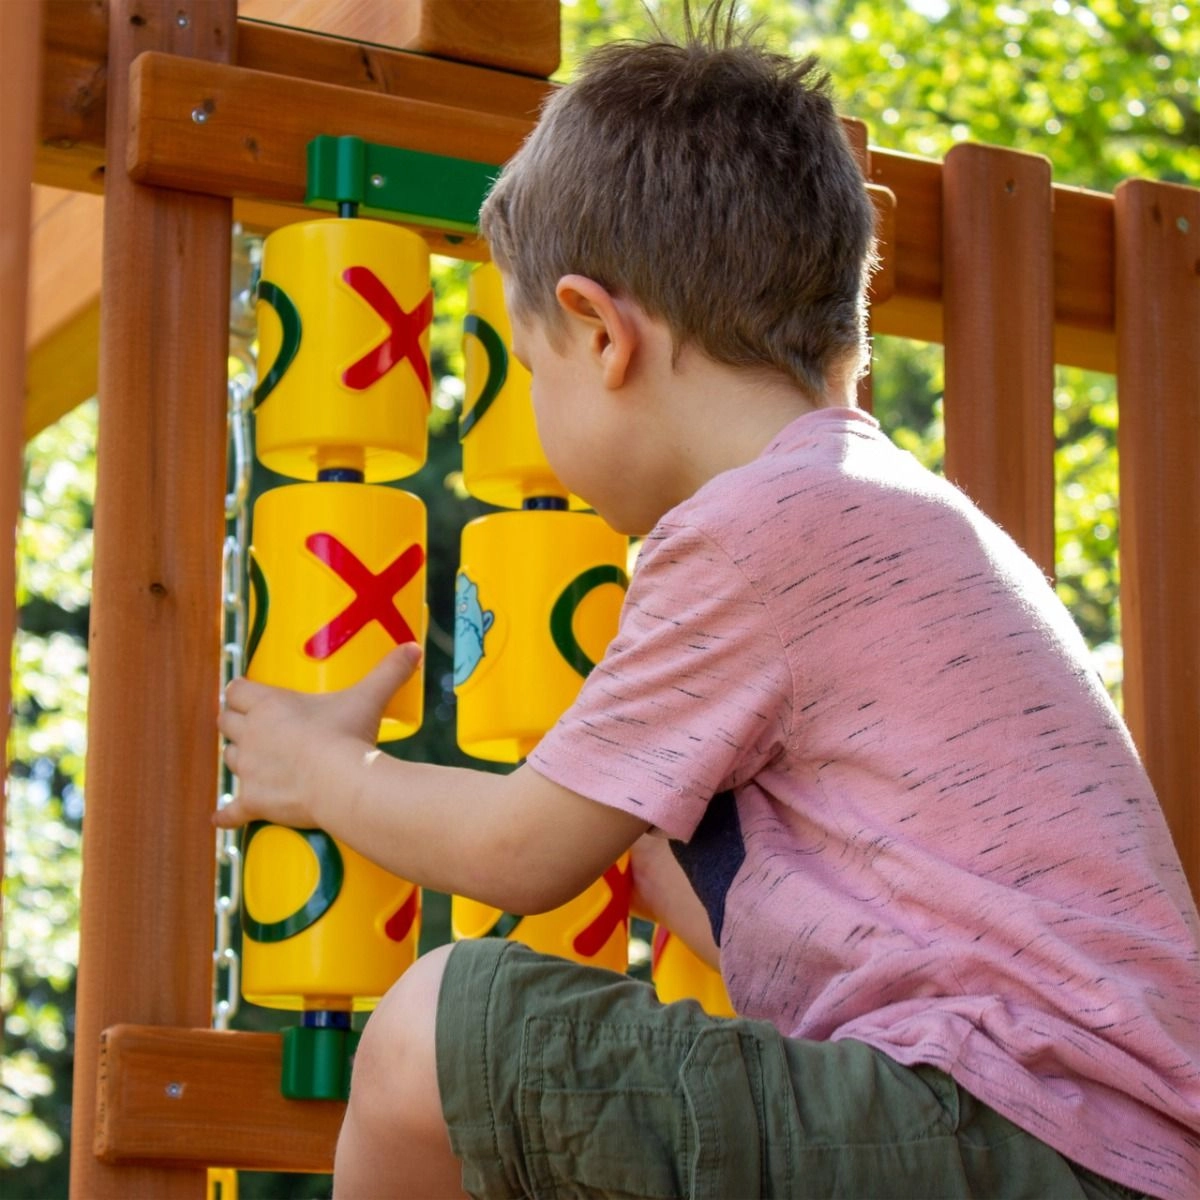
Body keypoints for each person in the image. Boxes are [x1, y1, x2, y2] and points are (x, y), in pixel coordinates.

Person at [216, 5, 1200, 1197]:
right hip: (1093, 1146)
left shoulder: (756, 532)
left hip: (997, 1128)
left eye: (528, 370)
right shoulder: (889, 517)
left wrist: (323, 773)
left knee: (434, 1028)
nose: (533, 400)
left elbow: (521, 855)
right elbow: (773, 903)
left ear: (597, 331)